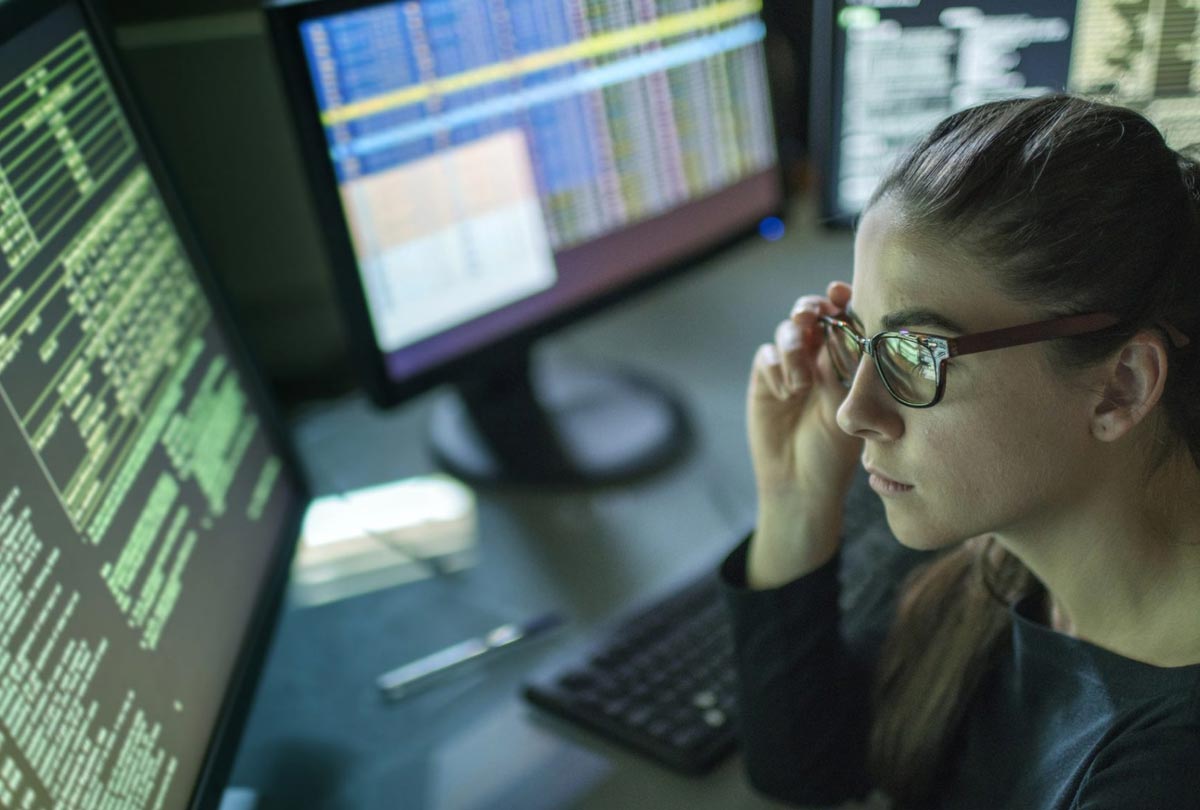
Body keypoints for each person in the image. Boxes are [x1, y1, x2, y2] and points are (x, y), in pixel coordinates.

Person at [720, 93, 1200, 809]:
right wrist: (796, 502)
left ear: (1119, 389)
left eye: (919, 353)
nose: (856, 413)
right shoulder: (990, 549)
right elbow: (806, 768)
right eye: (859, 339)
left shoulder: (1168, 772)